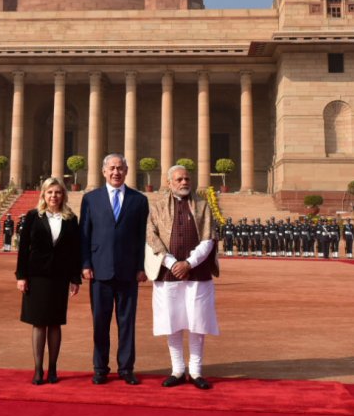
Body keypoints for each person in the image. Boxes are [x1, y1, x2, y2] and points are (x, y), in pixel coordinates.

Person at [146, 165, 219, 390]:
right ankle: (177, 369)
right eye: (179, 179)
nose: (184, 182)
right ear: (169, 183)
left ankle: (196, 371)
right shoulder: (157, 208)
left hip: (197, 272)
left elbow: (208, 238)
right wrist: (172, 263)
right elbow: (151, 237)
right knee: (173, 322)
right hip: (168, 273)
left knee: (197, 322)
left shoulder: (203, 206)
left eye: (187, 178)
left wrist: (189, 263)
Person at [79, 153, 149, 385]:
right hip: (99, 271)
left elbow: (142, 238)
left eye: (120, 168)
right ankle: (100, 368)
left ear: (126, 171)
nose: (116, 172)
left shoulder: (139, 200)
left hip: (129, 271)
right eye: (112, 168)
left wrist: (141, 267)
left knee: (127, 322)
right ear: (103, 171)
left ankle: (126, 368)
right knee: (100, 321)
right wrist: (85, 264)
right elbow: (85, 234)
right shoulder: (91, 199)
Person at [15, 177, 82, 385]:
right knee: (38, 323)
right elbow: (23, 248)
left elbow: (75, 251)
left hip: (59, 276)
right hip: (37, 276)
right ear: (43, 194)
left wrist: (74, 278)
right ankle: (38, 369)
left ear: (63, 195)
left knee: (55, 323)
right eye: (50, 192)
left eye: (58, 192)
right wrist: (21, 276)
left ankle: (52, 369)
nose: (54, 196)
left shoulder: (71, 218)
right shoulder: (33, 216)